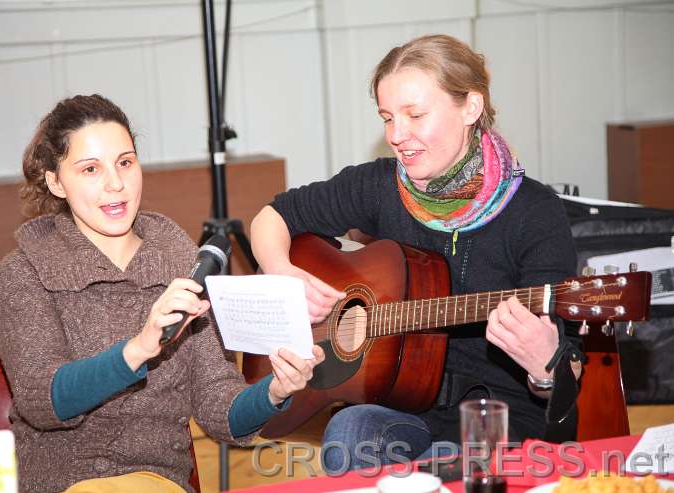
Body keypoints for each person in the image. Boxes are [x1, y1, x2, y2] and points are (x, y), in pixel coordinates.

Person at [250, 34, 583, 473]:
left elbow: (567, 377)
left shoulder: (534, 212)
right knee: (349, 434)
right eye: (387, 117)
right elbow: (271, 217)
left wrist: (545, 368)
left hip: (495, 418)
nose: (396, 136)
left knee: (454, 471)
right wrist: (281, 270)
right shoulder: (379, 186)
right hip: (400, 408)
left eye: (415, 115)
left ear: (471, 107)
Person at [0, 94, 325, 493]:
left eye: (125, 162)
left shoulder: (183, 262)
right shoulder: (24, 272)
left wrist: (274, 390)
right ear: (55, 181)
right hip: (61, 481)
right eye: (90, 169)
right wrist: (140, 347)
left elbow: (218, 405)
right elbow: (42, 401)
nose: (115, 184)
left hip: (156, 479)